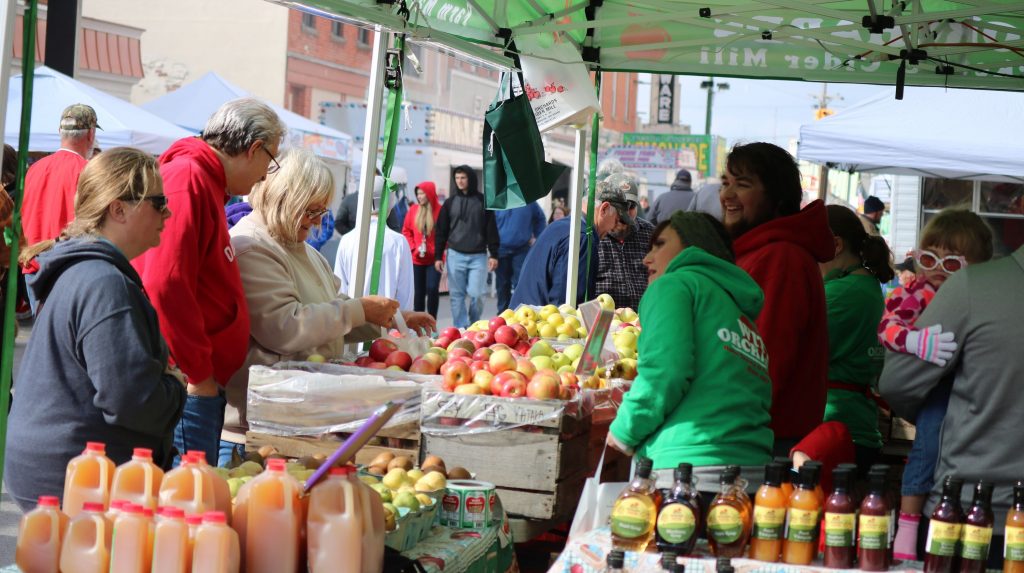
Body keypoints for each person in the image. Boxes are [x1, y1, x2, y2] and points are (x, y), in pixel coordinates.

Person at [4, 147, 186, 510]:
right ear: (118, 209)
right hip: (72, 480)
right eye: (158, 202)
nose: (167, 212)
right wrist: (176, 385)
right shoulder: (103, 282)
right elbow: (133, 401)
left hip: (61, 468)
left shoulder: (87, 271)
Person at [225, 150, 431, 465]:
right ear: (286, 199)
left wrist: (387, 317)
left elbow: (334, 308)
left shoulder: (302, 249)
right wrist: (360, 310)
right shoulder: (251, 246)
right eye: (312, 209)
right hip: (257, 429)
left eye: (323, 209)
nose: (321, 220)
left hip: (300, 419)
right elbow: (287, 326)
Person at [132, 97, 286, 466]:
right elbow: (164, 282)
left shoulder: (202, 181)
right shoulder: (189, 179)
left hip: (197, 381)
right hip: (188, 383)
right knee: (190, 501)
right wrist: (198, 371)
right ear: (253, 149)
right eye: (271, 160)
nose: (266, 174)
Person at [880, 243, 1022, 570]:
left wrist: (937, 415)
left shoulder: (975, 285)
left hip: (967, 506)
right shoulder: (969, 284)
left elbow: (897, 382)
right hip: (974, 508)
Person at [607, 211, 772, 490]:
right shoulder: (737, 312)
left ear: (695, 246)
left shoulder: (673, 285)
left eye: (659, 245)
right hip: (755, 473)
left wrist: (622, 433)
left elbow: (664, 371)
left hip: (689, 471)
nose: (647, 258)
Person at [721, 142, 834, 454]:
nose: (727, 195)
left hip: (761, 438)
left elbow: (765, 359)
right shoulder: (761, 251)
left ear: (777, 198)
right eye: (726, 183)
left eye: (742, 185)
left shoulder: (781, 257)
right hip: (753, 430)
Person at [815, 205, 894, 474]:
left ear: (835, 244)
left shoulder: (840, 292)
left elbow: (801, 355)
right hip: (856, 428)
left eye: (810, 245)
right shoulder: (866, 285)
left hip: (835, 431)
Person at [510, 179, 631, 308]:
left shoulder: (559, 226)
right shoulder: (581, 237)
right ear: (604, 209)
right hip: (538, 322)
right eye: (617, 220)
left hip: (523, 316)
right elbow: (565, 304)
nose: (615, 227)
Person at [20, 104, 98, 247]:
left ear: (59, 131)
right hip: (65, 260)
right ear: (90, 134)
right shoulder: (89, 171)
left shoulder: (35, 168)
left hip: (31, 259)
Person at [336, 176, 415, 310]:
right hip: (389, 324)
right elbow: (405, 296)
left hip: (354, 322)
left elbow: (339, 289)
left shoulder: (346, 240)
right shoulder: (398, 242)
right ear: (389, 204)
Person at [434, 166, 499, 328]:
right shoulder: (450, 203)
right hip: (455, 255)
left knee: (477, 295)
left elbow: (491, 229)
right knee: (456, 295)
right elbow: (441, 231)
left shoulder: (483, 202)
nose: (460, 181)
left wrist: (494, 254)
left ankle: (474, 325)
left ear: (470, 178)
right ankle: (461, 328)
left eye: (463, 177)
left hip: (478, 256)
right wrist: (438, 256)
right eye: (457, 178)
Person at [595, 173, 655, 311]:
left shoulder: (650, 234)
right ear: (605, 207)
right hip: (600, 324)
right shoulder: (592, 236)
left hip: (643, 321)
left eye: (630, 206)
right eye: (619, 207)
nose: (624, 213)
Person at [494, 202, 546, 312]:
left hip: (521, 250)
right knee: (502, 286)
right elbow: (489, 223)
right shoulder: (498, 201)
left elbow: (540, 218)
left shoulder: (529, 202)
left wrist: (538, 237)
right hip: (500, 250)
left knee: (520, 284)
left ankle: (519, 314)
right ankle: (502, 315)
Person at [402, 181, 442, 317]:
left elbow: (444, 235)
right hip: (416, 259)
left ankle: (432, 320)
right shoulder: (413, 210)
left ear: (430, 194)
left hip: (433, 260)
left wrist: (439, 255)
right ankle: (418, 323)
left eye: (422, 194)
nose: (419, 197)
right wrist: (413, 248)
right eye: (418, 194)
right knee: (418, 293)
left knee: (432, 289)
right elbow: (406, 231)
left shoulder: (439, 211)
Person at [335, 178, 401, 236]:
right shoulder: (349, 199)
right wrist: (352, 234)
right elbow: (339, 222)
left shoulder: (386, 202)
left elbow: (394, 226)